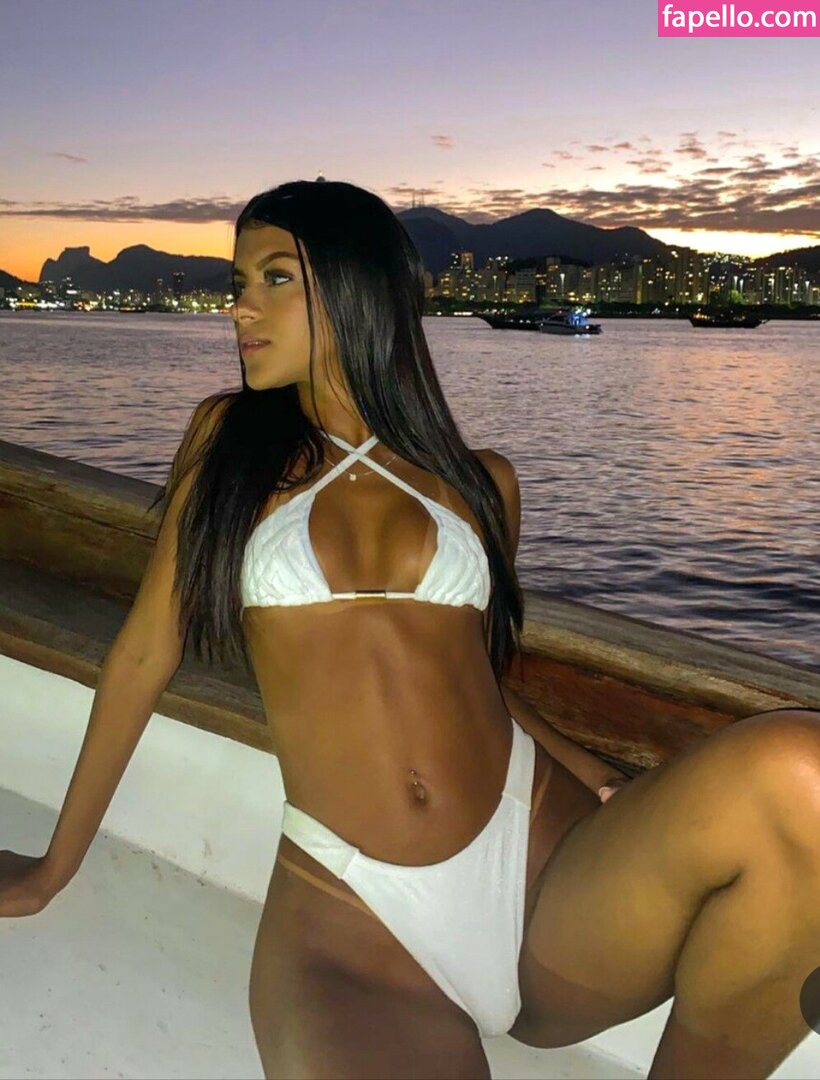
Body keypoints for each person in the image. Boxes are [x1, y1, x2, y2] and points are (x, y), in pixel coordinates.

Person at [2, 178, 820, 1080]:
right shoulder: (227, 447)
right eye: (239, 284)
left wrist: (588, 768)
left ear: (358, 288)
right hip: (356, 914)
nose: (241, 308)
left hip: (545, 863)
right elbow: (143, 655)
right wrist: (53, 866)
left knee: (802, 772)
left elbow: (473, 675)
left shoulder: (481, 483)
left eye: (274, 278)